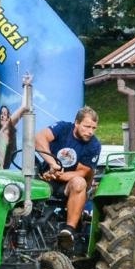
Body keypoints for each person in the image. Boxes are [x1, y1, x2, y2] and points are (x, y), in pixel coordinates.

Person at [32, 106, 101, 247]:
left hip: (65, 183)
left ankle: (68, 231)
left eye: (94, 128)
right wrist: (52, 164)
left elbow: (81, 173)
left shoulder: (94, 145)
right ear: (76, 123)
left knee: (79, 183)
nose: (90, 132)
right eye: (87, 126)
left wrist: (55, 175)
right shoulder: (63, 128)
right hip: (44, 177)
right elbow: (39, 138)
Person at [0, 104, 31, 169]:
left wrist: (22, 109)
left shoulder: (7, 131)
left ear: (8, 117)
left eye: (4, 114)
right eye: (1, 113)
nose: (2, 116)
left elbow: (11, 121)